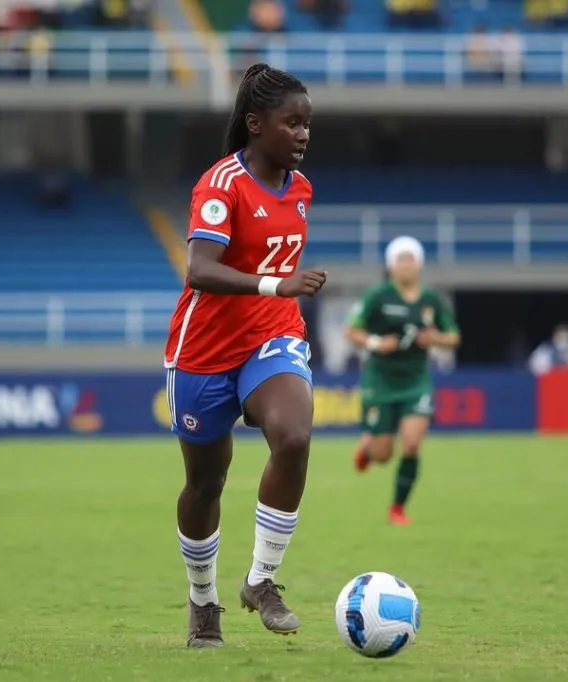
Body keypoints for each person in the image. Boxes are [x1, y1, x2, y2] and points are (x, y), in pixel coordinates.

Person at [164, 63, 326, 649]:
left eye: (307, 124)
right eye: (292, 123)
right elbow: (200, 270)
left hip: (271, 336)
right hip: (204, 351)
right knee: (205, 485)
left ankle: (262, 580)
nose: (303, 135)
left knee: (294, 436)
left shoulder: (300, 189)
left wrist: (278, 299)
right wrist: (276, 285)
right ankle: (202, 601)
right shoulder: (220, 185)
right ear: (256, 124)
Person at [344, 236, 460, 526]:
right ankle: (368, 449)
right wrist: (376, 343)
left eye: (411, 260)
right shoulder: (378, 296)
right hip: (380, 379)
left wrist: (435, 339)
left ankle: (397, 507)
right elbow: (351, 331)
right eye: (401, 260)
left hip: (416, 380)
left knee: (411, 444)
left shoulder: (431, 299)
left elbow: (453, 337)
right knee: (382, 454)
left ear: (419, 264)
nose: (407, 265)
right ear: (391, 266)